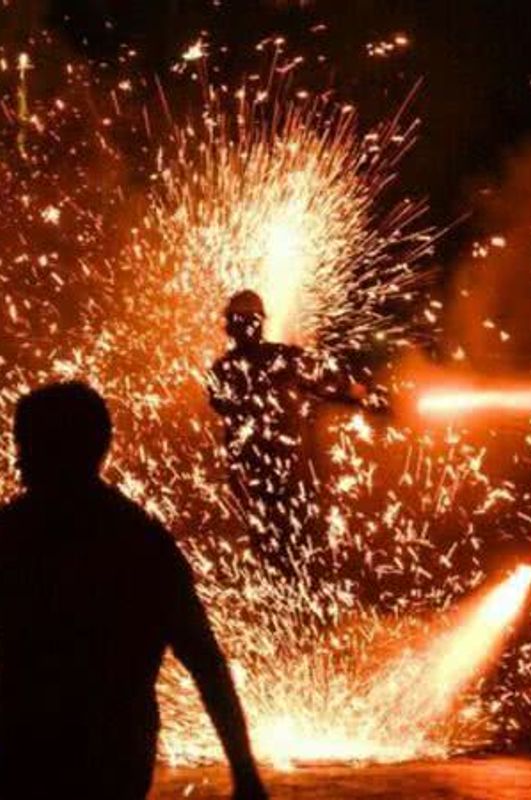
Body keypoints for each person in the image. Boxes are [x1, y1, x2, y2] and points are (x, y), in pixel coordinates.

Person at [0, 381, 267, 799]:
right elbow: (206, 663)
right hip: (115, 759)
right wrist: (244, 771)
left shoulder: (11, 537)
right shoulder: (141, 540)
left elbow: (206, 662)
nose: (18, 459)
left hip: (27, 757)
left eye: (27, 443)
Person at [207, 290, 386, 577]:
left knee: (266, 549)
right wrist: (369, 397)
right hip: (289, 477)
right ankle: (303, 601)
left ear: (232, 325)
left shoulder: (222, 370)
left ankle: (279, 601)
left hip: (252, 480)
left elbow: (222, 404)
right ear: (258, 323)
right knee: (299, 549)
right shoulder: (283, 358)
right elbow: (333, 384)